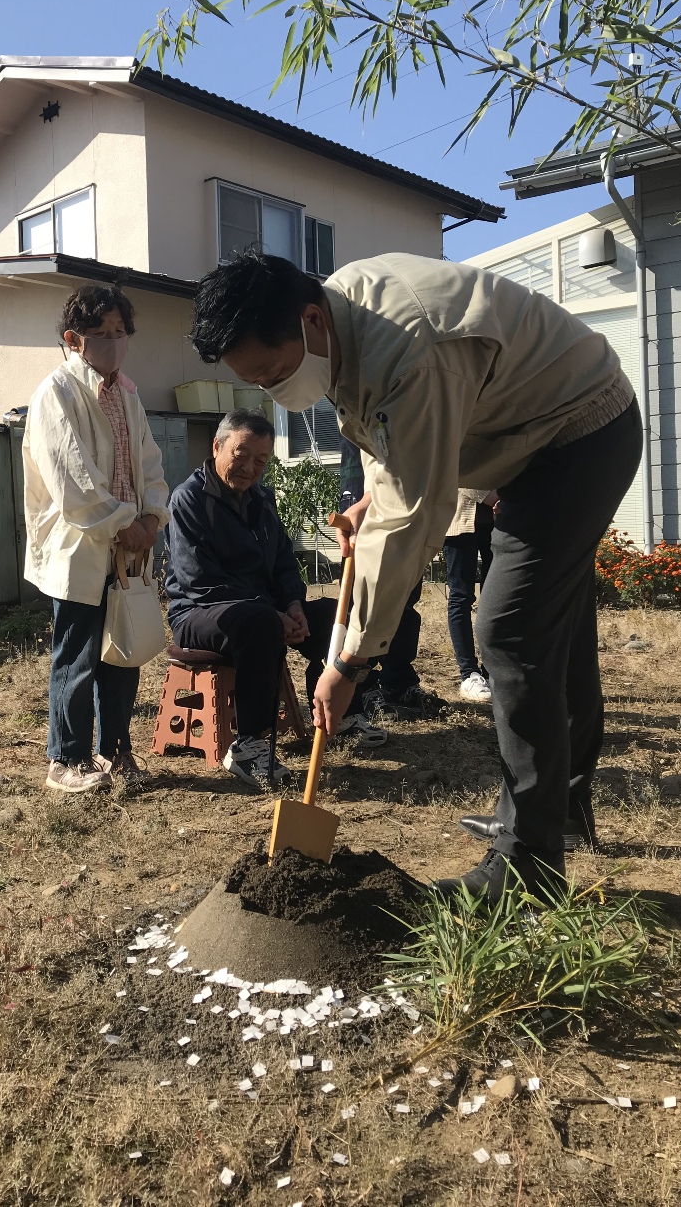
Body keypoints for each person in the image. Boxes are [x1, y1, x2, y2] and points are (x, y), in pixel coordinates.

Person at [188, 250, 641, 899]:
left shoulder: (408, 345)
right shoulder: (339, 326)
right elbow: (392, 458)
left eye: (272, 371)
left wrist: (347, 661)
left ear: (309, 320)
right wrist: (376, 499)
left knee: (509, 626)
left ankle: (528, 867)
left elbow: (414, 517)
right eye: (253, 381)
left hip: (578, 434)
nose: (271, 390)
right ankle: (555, 811)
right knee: (551, 627)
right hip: (535, 443)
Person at [165, 408, 386, 789]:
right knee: (259, 623)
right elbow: (200, 580)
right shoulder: (188, 500)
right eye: (241, 455)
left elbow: (284, 563)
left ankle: (344, 710)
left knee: (340, 614)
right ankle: (250, 744)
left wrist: (294, 606)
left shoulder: (262, 499)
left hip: (264, 611)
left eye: (261, 460)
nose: (250, 468)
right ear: (217, 446)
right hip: (200, 613)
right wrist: (271, 612)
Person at [22, 284, 169, 794]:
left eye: (120, 332)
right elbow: (72, 479)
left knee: (123, 653)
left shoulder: (128, 393)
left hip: (128, 546)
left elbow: (149, 463)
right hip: (82, 544)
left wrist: (153, 516)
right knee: (78, 653)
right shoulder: (57, 393)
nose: (113, 341)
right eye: (100, 333)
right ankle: (66, 759)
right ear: (72, 338)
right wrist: (124, 524)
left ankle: (115, 751)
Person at [338, 437, 444, 722]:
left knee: (405, 599)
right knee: (364, 600)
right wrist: (364, 501)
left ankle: (399, 682)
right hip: (361, 493)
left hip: (401, 498)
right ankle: (364, 686)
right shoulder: (352, 401)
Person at [444, 489, 497, 703]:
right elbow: (460, 466)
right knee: (461, 596)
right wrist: (490, 497)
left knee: (497, 598)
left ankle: (493, 669)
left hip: (499, 522)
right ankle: (469, 673)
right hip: (459, 520)